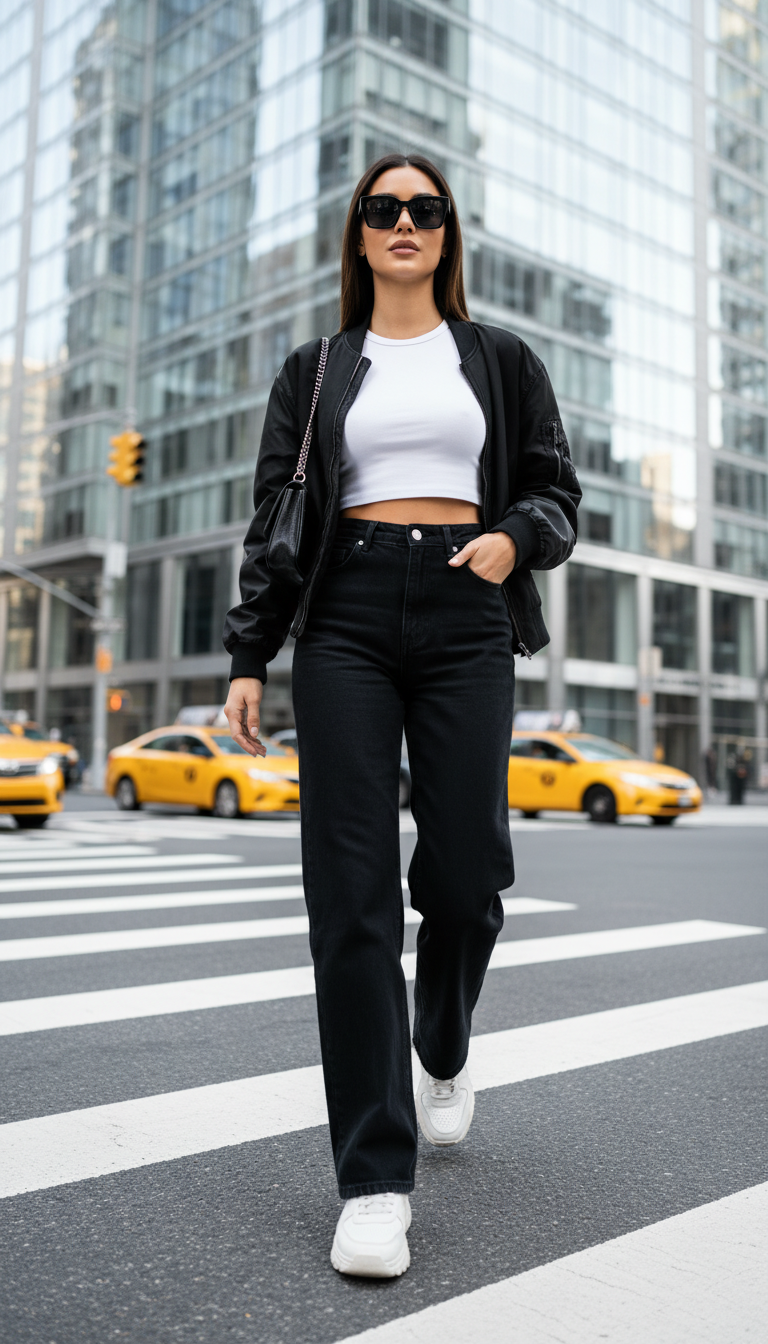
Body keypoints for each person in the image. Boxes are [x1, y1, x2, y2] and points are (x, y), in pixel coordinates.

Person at [223, 153, 580, 1278]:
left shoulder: (502, 359)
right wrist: (249, 656)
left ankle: (444, 1037)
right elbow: (276, 517)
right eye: (385, 209)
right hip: (346, 615)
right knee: (351, 891)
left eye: (425, 208)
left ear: (448, 232)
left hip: (468, 606)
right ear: (360, 235)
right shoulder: (318, 369)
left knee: (469, 871)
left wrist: (514, 539)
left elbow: (557, 494)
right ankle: (375, 1179)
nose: (405, 222)